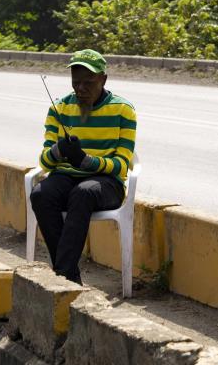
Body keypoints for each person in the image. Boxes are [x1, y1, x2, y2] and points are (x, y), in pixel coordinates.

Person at [30, 49, 137, 284]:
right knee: (40, 194)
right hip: (66, 176)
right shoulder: (59, 109)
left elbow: (121, 166)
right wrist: (59, 150)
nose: (81, 89)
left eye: (88, 83)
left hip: (106, 182)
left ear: (103, 79)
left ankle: (61, 275)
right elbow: (45, 162)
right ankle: (69, 275)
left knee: (83, 193)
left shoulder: (123, 110)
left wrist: (86, 161)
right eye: (76, 83)